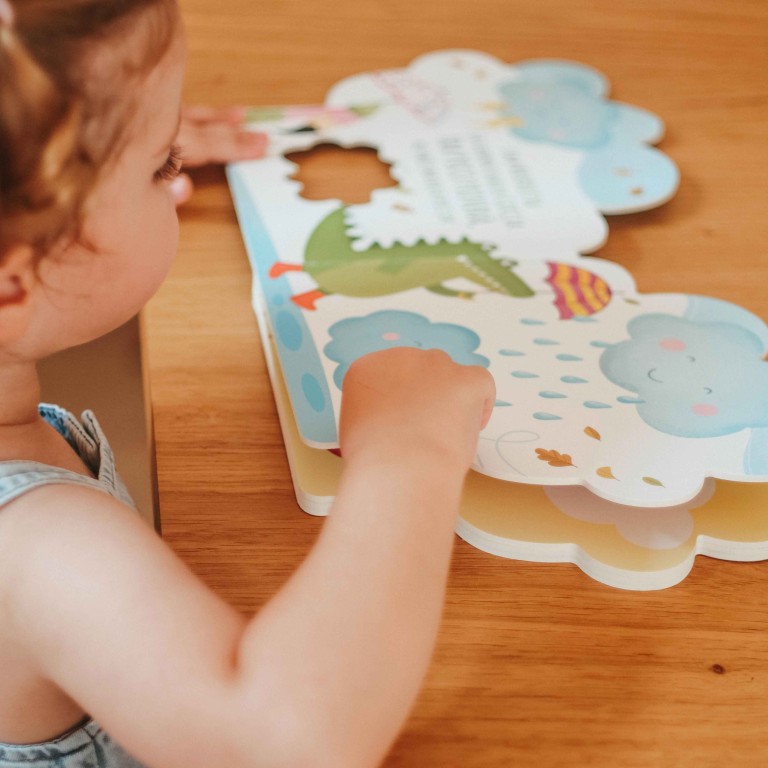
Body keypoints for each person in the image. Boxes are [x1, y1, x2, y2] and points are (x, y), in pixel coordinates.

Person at [0, 1, 495, 766]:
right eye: (160, 164)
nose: (171, 176)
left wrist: (104, 156)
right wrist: (409, 448)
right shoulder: (34, 550)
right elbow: (284, 744)